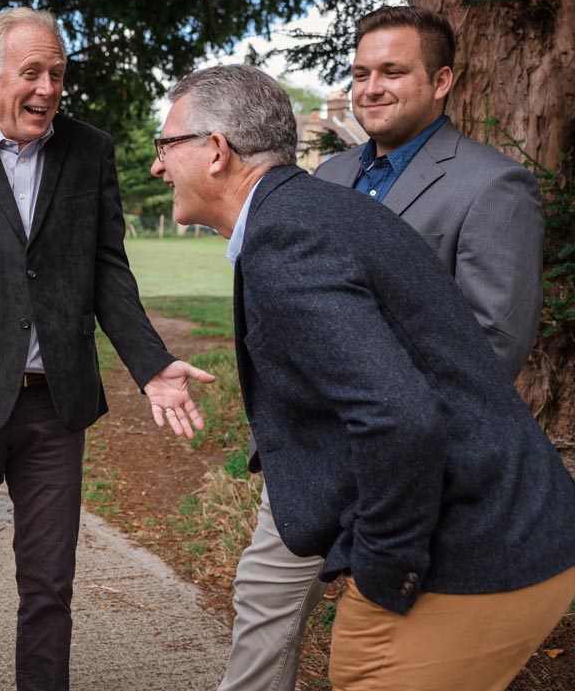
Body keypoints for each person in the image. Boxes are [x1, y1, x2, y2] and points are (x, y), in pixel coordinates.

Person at [150, 63, 575, 691]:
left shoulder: (287, 236)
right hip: (520, 529)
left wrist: (383, 571)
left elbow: (396, 415)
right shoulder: (311, 208)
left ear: (217, 151)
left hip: (480, 548)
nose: (159, 166)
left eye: (167, 146)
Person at [0, 6, 215, 691]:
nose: (48, 88)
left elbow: (108, 270)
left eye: (57, 73)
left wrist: (151, 366)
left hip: (55, 407)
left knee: (50, 588)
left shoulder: (91, 149)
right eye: (32, 73)